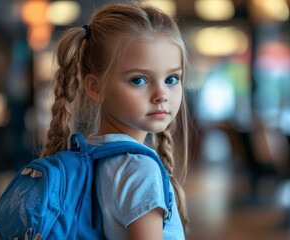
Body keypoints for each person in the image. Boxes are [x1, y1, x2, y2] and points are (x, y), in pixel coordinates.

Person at [41, 2, 191, 239]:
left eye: (172, 79)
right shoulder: (139, 170)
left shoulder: (94, 155)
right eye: (139, 80)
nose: (161, 94)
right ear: (95, 87)